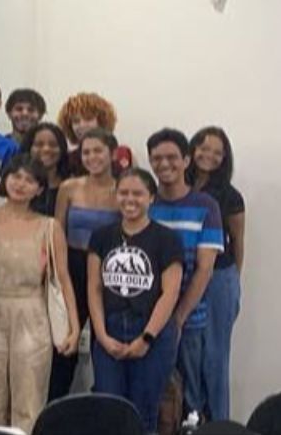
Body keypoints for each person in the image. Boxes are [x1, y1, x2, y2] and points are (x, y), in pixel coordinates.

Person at [0, 155, 79, 433]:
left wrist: (74, 327)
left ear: (39, 189)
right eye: (16, 176)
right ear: (5, 179)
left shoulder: (49, 227)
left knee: (30, 400)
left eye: (30, 180)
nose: (21, 184)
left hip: (33, 315)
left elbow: (63, 279)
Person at [88, 168, 184, 433]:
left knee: (144, 414)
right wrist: (102, 336)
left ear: (151, 197)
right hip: (109, 330)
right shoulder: (101, 236)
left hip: (152, 332)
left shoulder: (167, 239)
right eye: (124, 193)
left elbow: (170, 293)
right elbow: (94, 288)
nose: (130, 199)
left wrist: (146, 339)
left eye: (138, 194)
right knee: (109, 413)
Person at [146, 129, 224, 423]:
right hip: (148, 320)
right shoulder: (145, 202)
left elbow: (204, 269)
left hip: (190, 320)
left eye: (171, 157)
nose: (164, 164)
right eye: (157, 158)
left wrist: (178, 318)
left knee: (191, 400)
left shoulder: (206, 206)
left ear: (186, 160)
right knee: (153, 399)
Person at [49, 128, 121, 400]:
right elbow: (57, 232)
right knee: (64, 343)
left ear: (112, 153)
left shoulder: (122, 190)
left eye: (98, 151)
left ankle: (104, 405)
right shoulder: (69, 188)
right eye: (86, 152)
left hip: (108, 271)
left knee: (103, 344)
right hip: (73, 268)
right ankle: (55, 405)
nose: (92, 157)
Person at [187, 126, 245, 420]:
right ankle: (190, 420)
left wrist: (233, 285)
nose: (209, 155)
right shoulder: (176, 187)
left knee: (215, 357)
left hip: (220, 279)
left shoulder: (230, 197)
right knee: (188, 356)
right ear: (192, 149)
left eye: (217, 152)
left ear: (225, 158)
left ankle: (219, 423)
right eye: (204, 148)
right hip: (185, 278)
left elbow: (238, 243)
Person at [56, 92, 134, 175]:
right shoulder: (67, 160)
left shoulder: (123, 154)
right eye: (76, 121)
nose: (82, 125)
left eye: (88, 119)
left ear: (102, 121)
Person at [20, 122, 71, 217]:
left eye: (53, 145)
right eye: (39, 144)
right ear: (29, 148)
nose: (46, 149)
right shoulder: (19, 183)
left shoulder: (72, 183)